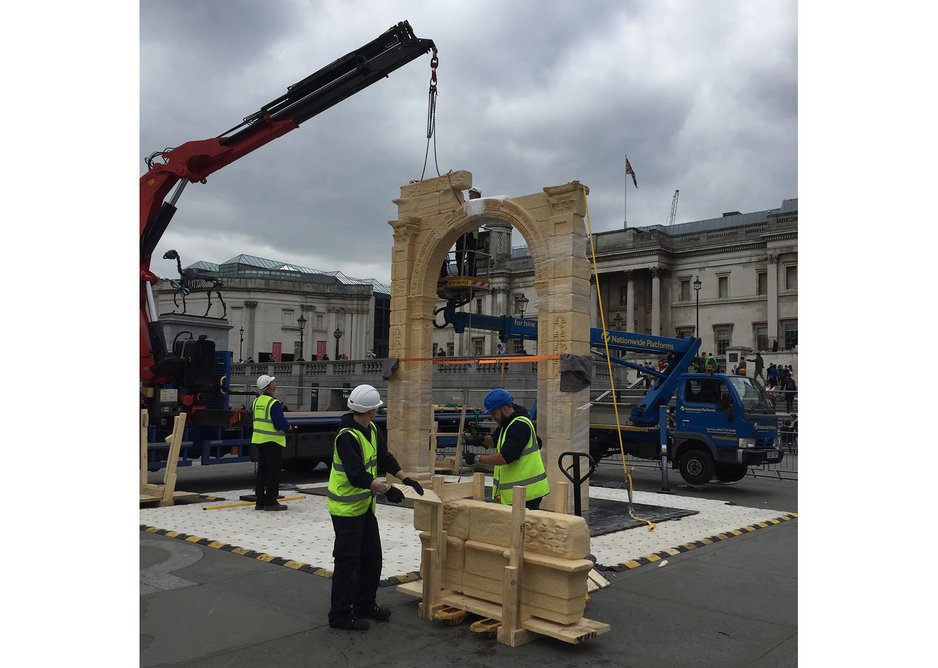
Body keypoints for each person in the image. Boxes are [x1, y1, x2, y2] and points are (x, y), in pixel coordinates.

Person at [327, 384, 424, 631]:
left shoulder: (370, 429)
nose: (378, 413)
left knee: (372, 558)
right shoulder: (347, 436)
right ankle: (339, 614)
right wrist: (386, 489)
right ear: (370, 410)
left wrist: (405, 479)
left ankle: (364, 605)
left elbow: (384, 456)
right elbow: (356, 475)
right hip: (346, 510)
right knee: (348, 562)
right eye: (376, 409)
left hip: (364, 506)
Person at [462, 388, 549, 510]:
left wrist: (477, 458)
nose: (493, 417)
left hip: (527, 492)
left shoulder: (519, 425)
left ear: (504, 409)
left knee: (525, 526)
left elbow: (506, 457)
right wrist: (480, 440)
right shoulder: (507, 423)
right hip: (518, 491)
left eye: (493, 413)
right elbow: (495, 440)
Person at [252, 375, 296, 511]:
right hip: (273, 441)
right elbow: (279, 423)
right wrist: (288, 427)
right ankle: (271, 502)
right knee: (273, 472)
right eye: (273, 382)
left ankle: (260, 501)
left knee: (262, 471)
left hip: (259, 440)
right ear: (269, 386)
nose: (275, 384)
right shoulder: (273, 403)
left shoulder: (257, 401)